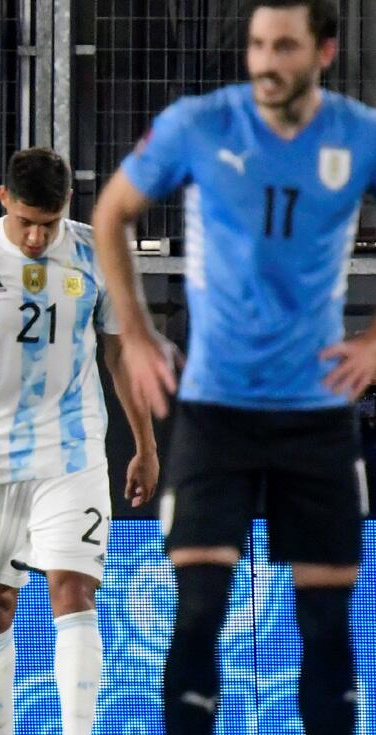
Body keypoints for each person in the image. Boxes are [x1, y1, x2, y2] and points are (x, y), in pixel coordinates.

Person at [90, 2, 376, 733]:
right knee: (199, 611)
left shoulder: (357, 134)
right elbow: (110, 213)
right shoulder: (201, 123)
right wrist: (138, 329)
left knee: (326, 625)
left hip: (314, 413)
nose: (265, 61)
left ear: (324, 51)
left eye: (284, 45)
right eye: (256, 44)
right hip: (214, 411)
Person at [0, 148, 158, 734]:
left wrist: (145, 445)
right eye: (25, 221)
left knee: (72, 589)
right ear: (3, 199)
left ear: (66, 207)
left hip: (71, 451)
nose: (34, 236)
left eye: (47, 224)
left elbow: (120, 352)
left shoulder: (97, 251)